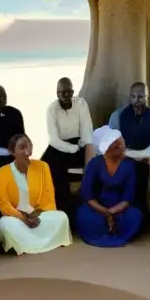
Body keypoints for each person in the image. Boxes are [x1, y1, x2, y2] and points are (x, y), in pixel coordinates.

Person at [0, 134, 72, 255]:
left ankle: (29, 241)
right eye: (22, 148)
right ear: (12, 151)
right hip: (16, 217)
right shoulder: (2, 172)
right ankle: (26, 242)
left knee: (61, 217)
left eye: (29, 147)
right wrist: (22, 217)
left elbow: (48, 196)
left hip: (39, 215)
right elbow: (3, 204)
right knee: (6, 225)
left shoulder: (43, 167)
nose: (27, 152)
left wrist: (37, 214)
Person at [76, 127, 143, 248]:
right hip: (96, 207)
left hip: (121, 208)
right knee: (85, 216)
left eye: (121, 142)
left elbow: (128, 196)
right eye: (115, 144)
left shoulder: (129, 165)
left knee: (134, 216)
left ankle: (117, 231)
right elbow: (88, 195)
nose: (120, 147)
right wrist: (105, 212)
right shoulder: (94, 163)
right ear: (105, 148)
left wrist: (113, 211)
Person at [108, 82, 150, 212]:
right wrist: (128, 154)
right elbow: (111, 141)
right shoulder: (117, 116)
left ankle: (147, 204)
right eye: (133, 96)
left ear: (147, 97)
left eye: (140, 97)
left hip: (147, 153)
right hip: (124, 153)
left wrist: (143, 155)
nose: (136, 101)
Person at [42, 77, 95, 213]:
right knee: (46, 168)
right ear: (57, 93)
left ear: (73, 91)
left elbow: (87, 131)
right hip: (59, 146)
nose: (66, 95)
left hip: (79, 144)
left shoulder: (81, 104)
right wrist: (73, 149)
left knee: (93, 166)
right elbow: (53, 139)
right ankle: (61, 210)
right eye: (62, 92)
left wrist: (82, 148)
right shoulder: (52, 109)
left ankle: (83, 209)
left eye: (69, 92)